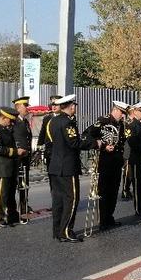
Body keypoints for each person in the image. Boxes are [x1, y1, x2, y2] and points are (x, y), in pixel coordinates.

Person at [47, 95, 102, 242]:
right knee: (71, 199)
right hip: (67, 167)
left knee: (58, 200)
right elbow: (74, 143)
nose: (75, 108)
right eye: (74, 105)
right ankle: (66, 231)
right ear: (71, 106)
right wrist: (95, 144)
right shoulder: (67, 123)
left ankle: (57, 230)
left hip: (55, 165)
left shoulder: (53, 121)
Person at [83, 101, 128, 230]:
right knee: (104, 191)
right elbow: (87, 135)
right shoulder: (103, 121)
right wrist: (101, 145)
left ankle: (109, 217)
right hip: (105, 161)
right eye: (122, 113)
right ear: (115, 110)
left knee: (114, 191)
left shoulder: (120, 124)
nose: (123, 116)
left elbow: (121, 141)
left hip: (116, 161)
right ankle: (103, 220)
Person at [0, 106, 24, 228]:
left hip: (10, 166)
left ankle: (12, 215)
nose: (11, 123)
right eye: (10, 120)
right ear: (3, 117)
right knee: (1, 195)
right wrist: (15, 152)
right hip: (2, 167)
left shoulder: (5, 128)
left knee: (10, 193)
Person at [11, 96, 33, 223]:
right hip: (17, 159)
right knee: (16, 185)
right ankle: (13, 209)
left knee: (25, 183)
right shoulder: (14, 122)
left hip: (25, 158)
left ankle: (24, 206)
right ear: (18, 107)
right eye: (26, 106)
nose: (27, 108)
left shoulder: (24, 121)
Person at [126, 102, 141, 217]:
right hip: (136, 158)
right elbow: (132, 142)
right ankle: (139, 209)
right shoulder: (131, 124)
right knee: (137, 185)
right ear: (135, 111)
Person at [36, 95, 61, 168]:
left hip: (61, 150)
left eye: (56, 104)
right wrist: (39, 144)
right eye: (52, 104)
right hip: (50, 149)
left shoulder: (65, 117)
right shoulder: (47, 118)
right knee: (51, 171)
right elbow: (43, 132)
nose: (54, 107)